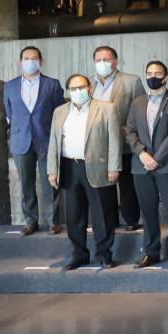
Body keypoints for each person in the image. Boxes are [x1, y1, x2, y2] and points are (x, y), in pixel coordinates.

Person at [46, 75, 122, 270]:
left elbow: (115, 140)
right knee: (74, 216)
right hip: (69, 167)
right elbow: (53, 142)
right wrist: (52, 170)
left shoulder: (106, 108)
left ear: (89, 88)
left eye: (81, 87)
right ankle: (79, 255)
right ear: (68, 91)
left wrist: (114, 167)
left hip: (98, 168)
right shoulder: (59, 112)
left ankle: (104, 254)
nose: (78, 91)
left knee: (102, 214)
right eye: (73, 88)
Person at [126, 61, 168, 269]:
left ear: (165, 77)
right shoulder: (137, 102)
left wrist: (156, 159)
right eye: (149, 73)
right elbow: (130, 131)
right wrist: (142, 153)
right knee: (147, 211)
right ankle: (151, 252)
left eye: (158, 73)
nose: (153, 77)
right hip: (141, 166)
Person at [3, 46, 65, 236]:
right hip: (21, 140)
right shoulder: (9, 86)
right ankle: (31, 222)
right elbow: (9, 113)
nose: (30, 61)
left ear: (41, 61)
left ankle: (53, 222)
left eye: (34, 58)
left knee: (51, 182)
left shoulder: (52, 84)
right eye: (27, 58)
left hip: (46, 139)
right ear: (20, 62)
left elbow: (60, 112)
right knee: (26, 184)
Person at [92, 45, 146, 232]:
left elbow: (141, 110)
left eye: (106, 59)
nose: (102, 63)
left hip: (124, 141)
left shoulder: (131, 81)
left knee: (127, 184)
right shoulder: (88, 84)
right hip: (98, 145)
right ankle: (110, 222)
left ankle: (131, 220)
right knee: (103, 187)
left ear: (115, 61)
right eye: (98, 60)